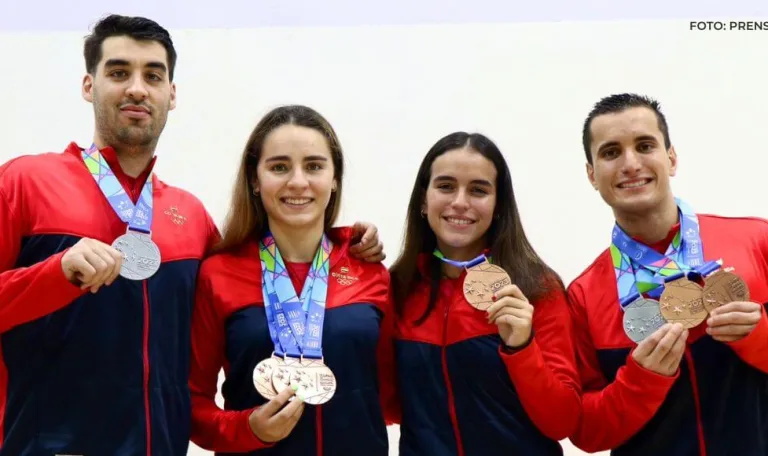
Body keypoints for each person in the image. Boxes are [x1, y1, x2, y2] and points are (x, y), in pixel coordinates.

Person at [0, 15, 383, 456]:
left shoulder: (190, 216)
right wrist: (54, 273)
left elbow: (264, 262)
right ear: (89, 86)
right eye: (119, 72)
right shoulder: (25, 182)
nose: (138, 88)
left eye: (153, 75)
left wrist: (342, 241)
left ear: (172, 94)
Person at [188, 104, 399, 456]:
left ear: (334, 178)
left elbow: (394, 395)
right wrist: (246, 428)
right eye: (279, 167)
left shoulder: (369, 270)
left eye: (314, 166)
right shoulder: (218, 274)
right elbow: (191, 402)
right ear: (255, 180)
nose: (298, 181)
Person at [566, 93, 768, 455]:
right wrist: (641, 382)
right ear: (592, 175)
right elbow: (585, 431)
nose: (630, 163)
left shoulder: (756, 239)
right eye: (611, 152)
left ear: (671, 158)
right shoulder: (583, 294)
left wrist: (759, 337)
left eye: (645, 145)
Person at [388, 132, 582, 455]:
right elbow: (388, 406)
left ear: (498, 204)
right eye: (446, 186)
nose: (460, 202)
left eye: (478, 190)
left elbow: (563, 421)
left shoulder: (536, 287)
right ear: (424, 199)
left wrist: (522, 348)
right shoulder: (399, 288)